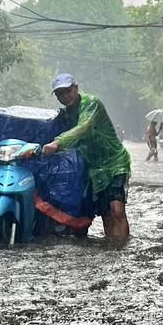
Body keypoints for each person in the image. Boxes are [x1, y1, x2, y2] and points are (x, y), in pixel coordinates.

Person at [42, 73, 131, 241]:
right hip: (94, 169)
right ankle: (112, 249)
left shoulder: (91, 103)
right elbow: (47, 127)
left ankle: (122, 249)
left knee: (117, 210)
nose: (65, 96)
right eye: (60, 94)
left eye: (68, 91)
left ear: (76, 88)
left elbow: (84, 126)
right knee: (106, 213)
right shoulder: (67, 114)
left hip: (115, 162)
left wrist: (57, 142)